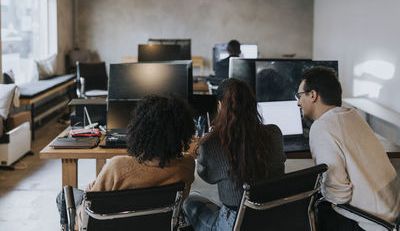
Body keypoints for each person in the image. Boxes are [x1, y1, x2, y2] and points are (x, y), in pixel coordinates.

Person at [56, 95, 196, 230]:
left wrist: (88, 191)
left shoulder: (118, 167)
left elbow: (88, 211)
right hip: (156, 225)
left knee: (64, 195)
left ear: (140, 130)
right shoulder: (187, 165)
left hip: (109, 226)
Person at [296, 66, 400, 231]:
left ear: (313, 95)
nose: (298, 102)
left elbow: (339, 196)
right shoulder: (352, 115)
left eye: (300, 96)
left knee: (307, 210)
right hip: (392, 211)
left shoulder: (322, 127)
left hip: (370, 222)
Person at [183, 78, 286, 230]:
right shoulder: (274, 133)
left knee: (189, 200)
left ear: (219, 106)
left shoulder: (212, 143)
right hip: (270, 217)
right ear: (253, 105)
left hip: (234, 223)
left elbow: (208, 177)